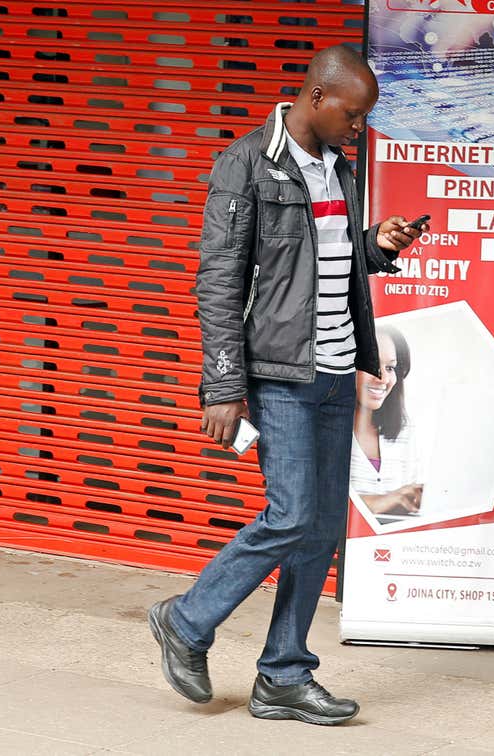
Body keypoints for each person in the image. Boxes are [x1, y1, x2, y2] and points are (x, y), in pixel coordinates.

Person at [147, 45, 422, 725]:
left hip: (334, 372)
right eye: (354, 116)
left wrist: (376, 246)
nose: (359, 129)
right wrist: (221, 386)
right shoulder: (246, 165)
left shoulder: (338, 168)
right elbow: (219, 280)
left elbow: (318, 256)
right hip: (278, 377)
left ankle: (283, 674)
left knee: (322, 527)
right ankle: (187, 619)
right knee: (292, 513)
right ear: (318, 98)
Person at [350, 325, 424, 516]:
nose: (382, 378)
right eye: (371, 364)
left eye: (390, 367)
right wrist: (382, 501)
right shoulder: (325, 426)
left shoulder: (406, 431)